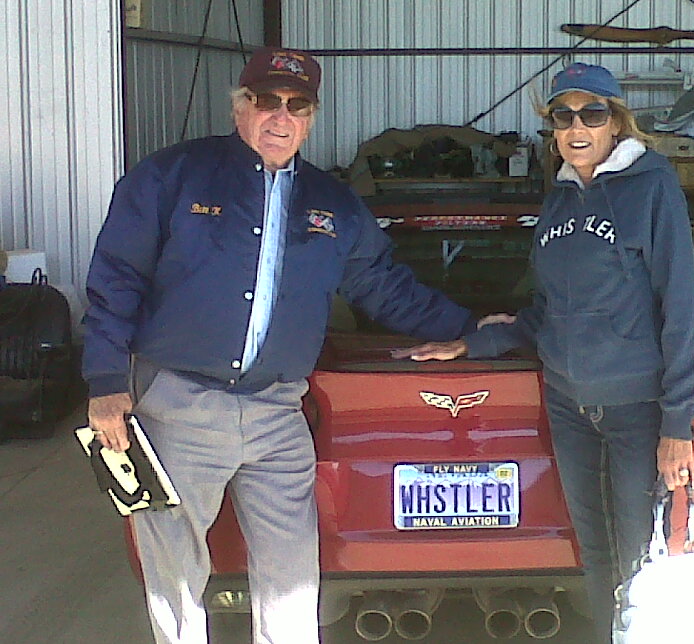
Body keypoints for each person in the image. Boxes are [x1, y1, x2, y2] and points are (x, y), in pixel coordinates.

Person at [81, 47, 483, 644]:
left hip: (279, 410)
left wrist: (475, 331)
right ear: (240, 107)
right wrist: (107, 382)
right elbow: (116, 277)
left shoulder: (333, 203)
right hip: (181, 404)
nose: (281, 116)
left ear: (312, 117)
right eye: (266, 101)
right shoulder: (172, 176)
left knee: (293, 579)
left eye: (297, 105)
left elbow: (387, 289)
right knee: (174, 573)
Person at [397, 62, 694, 642]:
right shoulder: (560, 198)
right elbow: (544, 313)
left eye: (592, 113)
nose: (576, 126)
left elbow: (681, 306)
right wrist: (472, 343)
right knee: (593, 549)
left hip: (633, 405)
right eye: (563, 116)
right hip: (568, 405)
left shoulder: (653, 187)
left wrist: (677, 423)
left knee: (643, 550)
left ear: (617, 122)